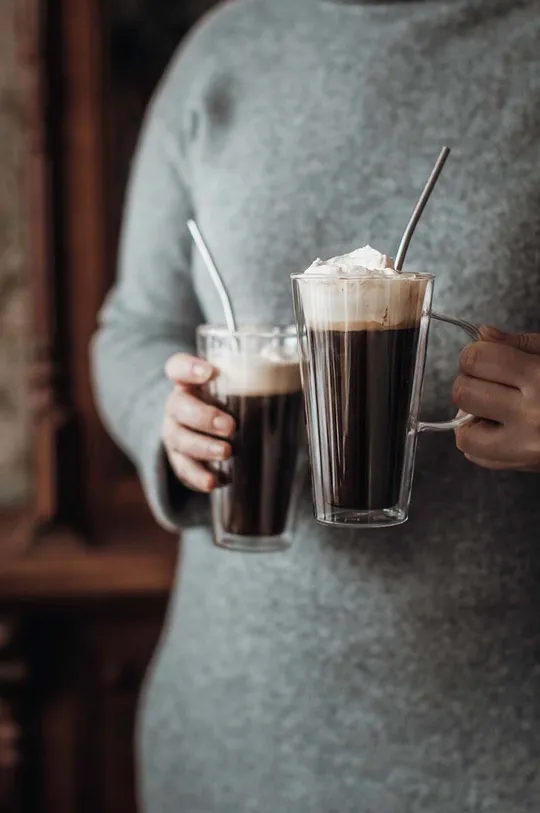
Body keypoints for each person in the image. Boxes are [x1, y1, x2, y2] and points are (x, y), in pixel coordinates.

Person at [91, 0, 540, 810]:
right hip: (231, 728)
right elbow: (131, 326)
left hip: (500, 744)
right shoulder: (225, 47)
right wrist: (164, 411)